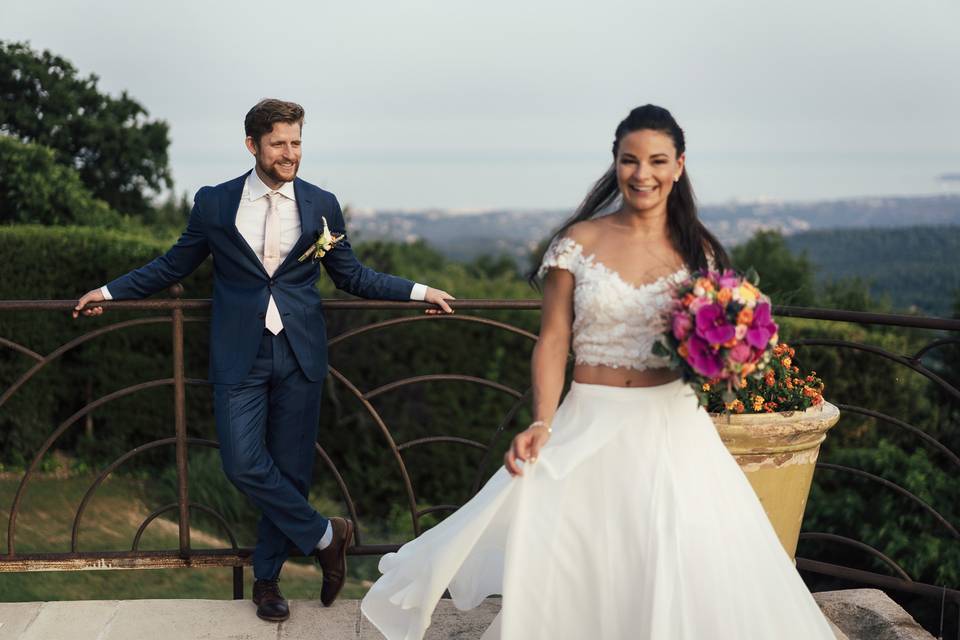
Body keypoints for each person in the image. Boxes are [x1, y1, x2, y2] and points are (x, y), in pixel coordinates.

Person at [360, 105, 836, 639]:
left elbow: (719, 339)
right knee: (582, 565)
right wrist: (541, 422)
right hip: (589, 418)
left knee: (675, 559)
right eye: (630, 160)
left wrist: (731, 356)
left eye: (657, 160)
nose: (643, 173)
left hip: (672, 426)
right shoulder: (578, 242)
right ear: (615, 164)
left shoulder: (697, 251)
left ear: (679, 165)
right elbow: (553, 339)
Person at [73, 99, 455, 623]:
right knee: (242, 462)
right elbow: (173, 264)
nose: (289, 154)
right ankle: (328, 535)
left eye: (296, 143)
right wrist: (109, 291)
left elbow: (352, 276)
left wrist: (419, 291)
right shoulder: (215, 203)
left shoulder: (322, 203)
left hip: (300, 355)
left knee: (291, 472)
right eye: (279, 143)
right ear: (252, 145)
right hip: (240, 354)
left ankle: (268, 581)